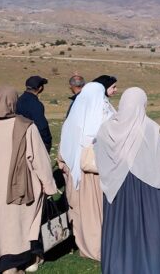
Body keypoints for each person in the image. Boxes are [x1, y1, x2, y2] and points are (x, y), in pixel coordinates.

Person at [0, 86, 57, 273]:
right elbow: (40, 160)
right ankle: (13, 266)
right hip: (17, 189)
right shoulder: (27, 127)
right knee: (13, 228)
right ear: (14, 102)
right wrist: (49, 186)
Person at [96, 87, 160, 273]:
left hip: (118, 190)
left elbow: (100, 157)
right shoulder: (149, 129)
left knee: (121, 232)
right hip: (148, 192)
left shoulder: (106, 129)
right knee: (152, 231)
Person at [58, 82, 112, 261]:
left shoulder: (73, 118)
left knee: (83, 213)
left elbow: (64, 150)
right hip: (96, 175)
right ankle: (98, 247)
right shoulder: (103, 115)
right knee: (97, 213)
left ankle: (86, 246)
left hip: (76, 175)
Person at [16, 75, 52, 152]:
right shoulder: (36, 104)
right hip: (33, 141)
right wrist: (47, 141)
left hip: (18, 139)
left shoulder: (19, 100)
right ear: (40, 88)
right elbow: (42, 126)